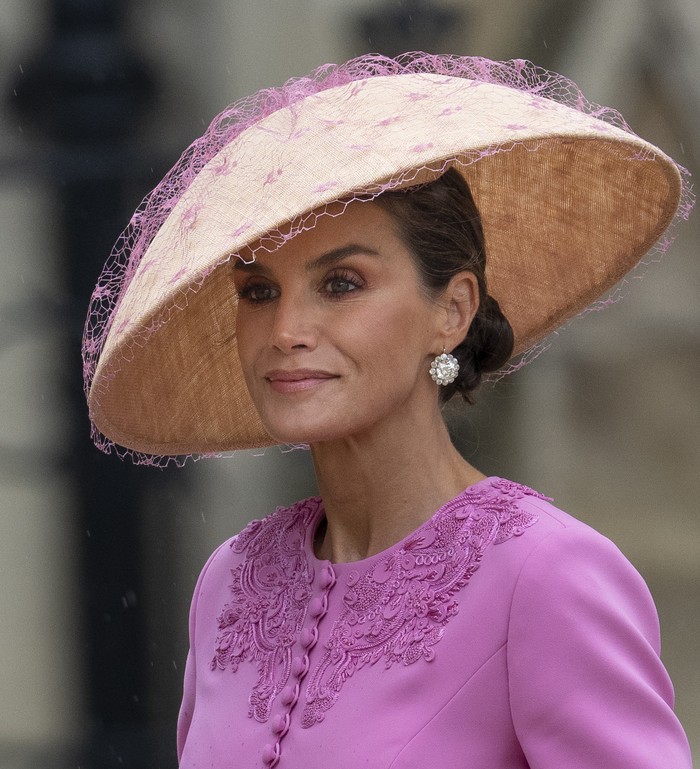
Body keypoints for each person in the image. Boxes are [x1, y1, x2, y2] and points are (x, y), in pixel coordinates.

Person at [83, 54, 694, 768]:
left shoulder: (545, 574)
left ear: (453, 311)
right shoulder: (229, 580)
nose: (286, 330)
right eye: (258, 291)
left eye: (342, 283)